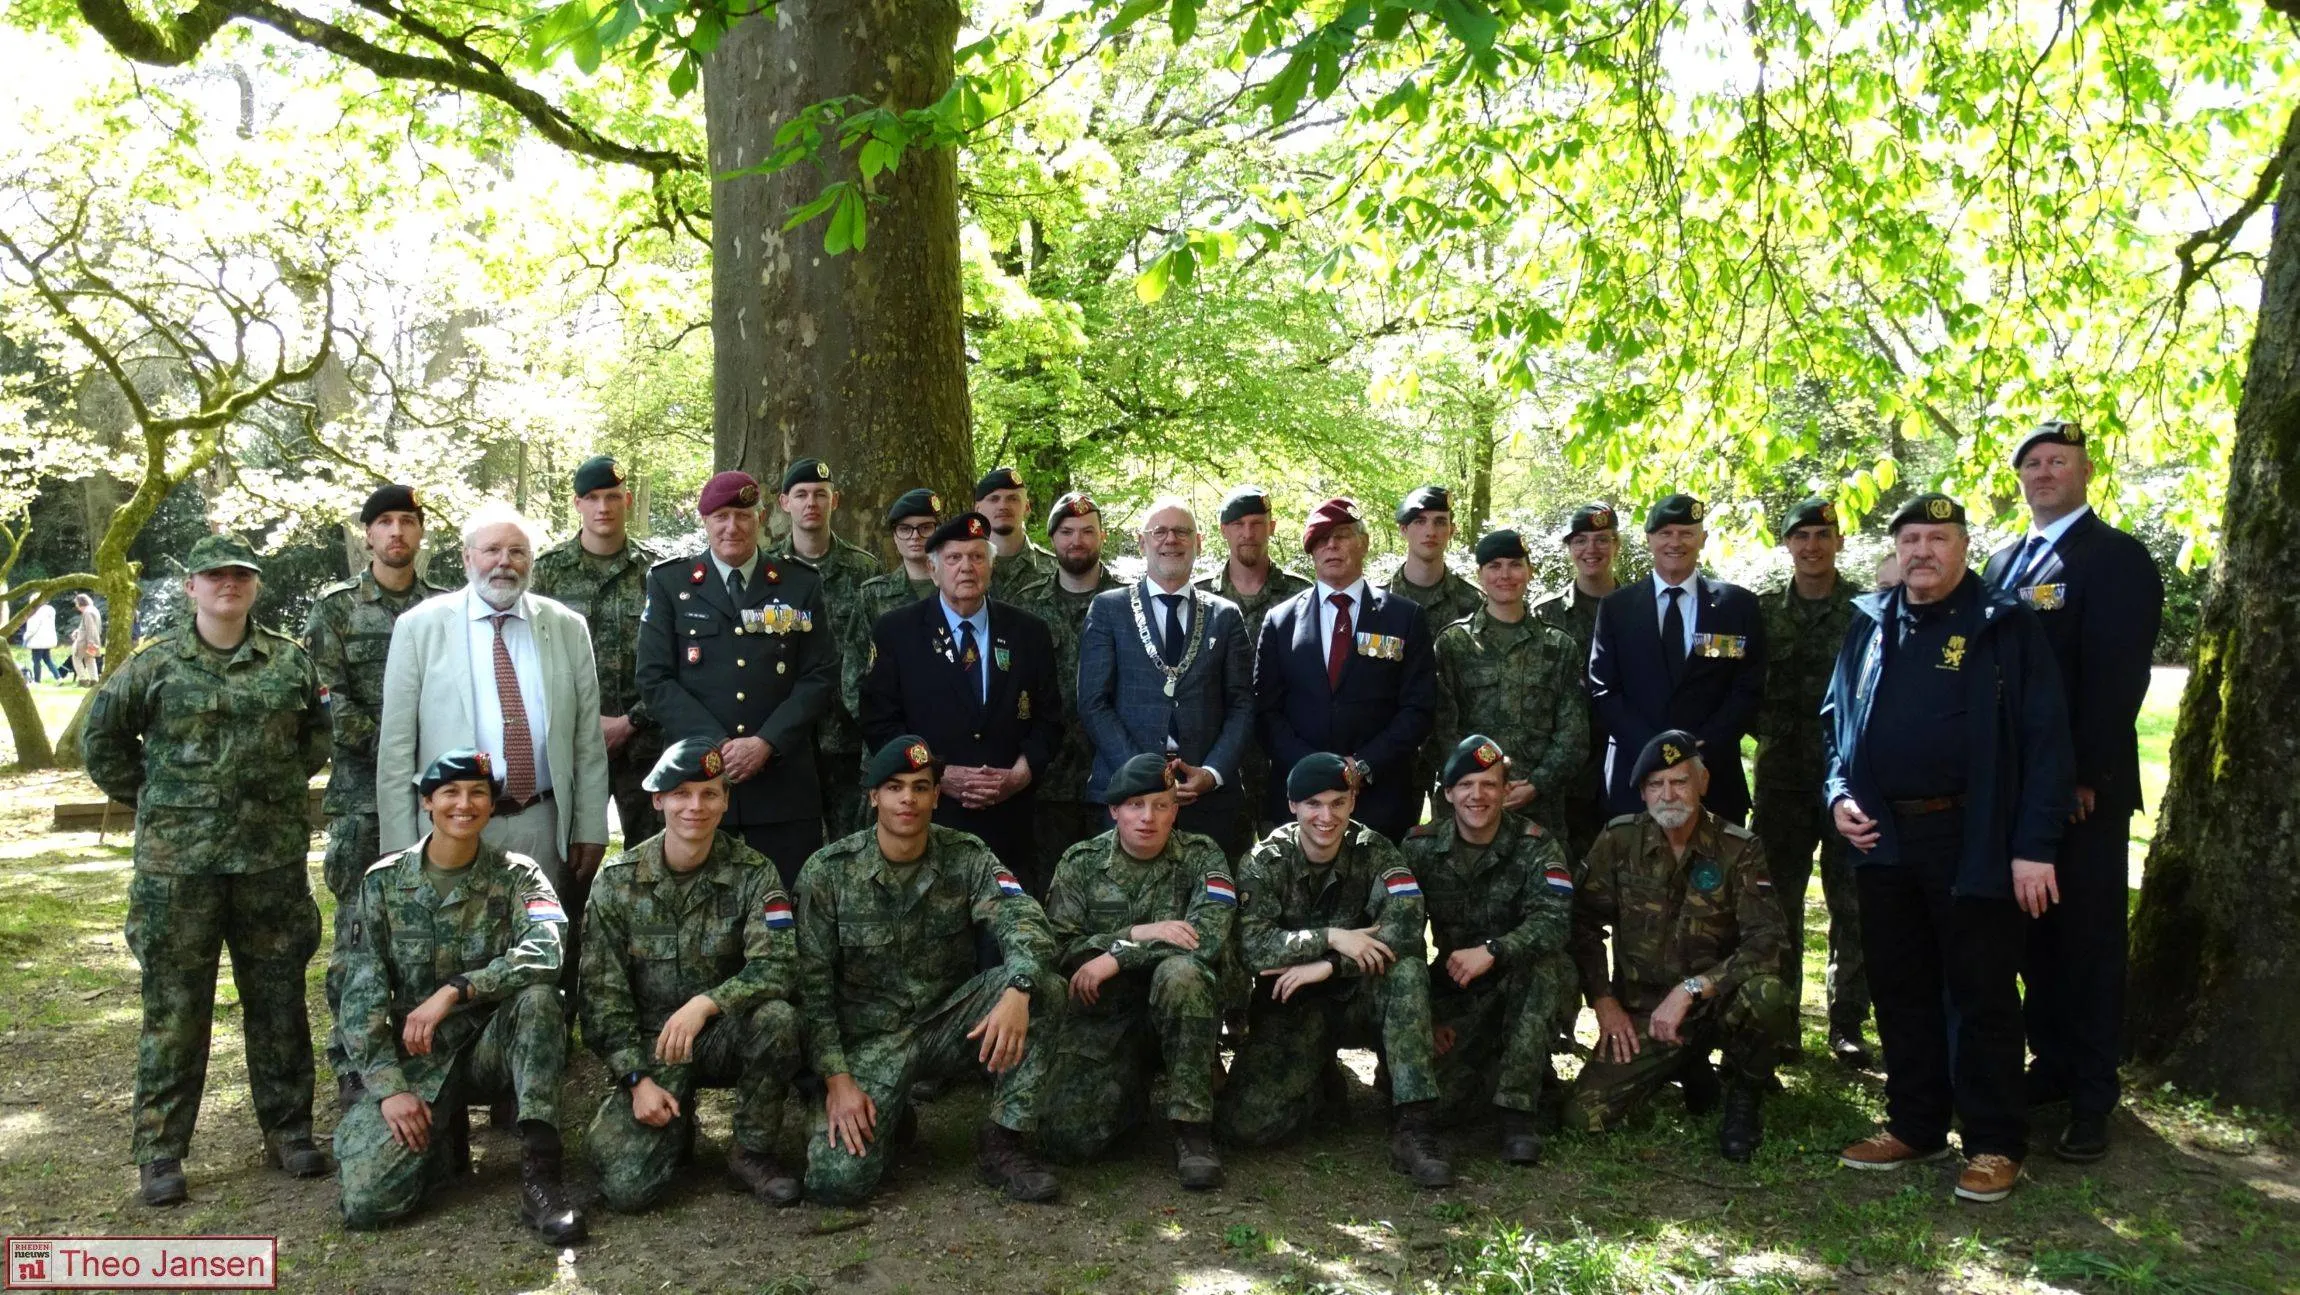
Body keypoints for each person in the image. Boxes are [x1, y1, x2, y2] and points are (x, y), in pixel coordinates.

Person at [1825, 493, 2074, 1204]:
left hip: (1975, 838)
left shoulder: (2004, 625)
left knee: (1982, 992)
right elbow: (1833, 720)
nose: (1922, 551)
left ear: (1965, 546)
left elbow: (2047, 742)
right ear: (1895, 548)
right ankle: (1916, 1122)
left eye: (1937, 537)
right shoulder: (1870, 623)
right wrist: (1839, 793)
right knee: (1900, 987)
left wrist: (2034, 846)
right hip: (1884, 837)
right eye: (1910, 538)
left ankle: (1995, 1139)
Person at [82, 533, 330, 1206]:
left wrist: (267, 794)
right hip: (177, 871)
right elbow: (102, 740)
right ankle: (161, 1149)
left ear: (255, 585)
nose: (229, 583)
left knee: (278, 1000)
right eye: (214, 574)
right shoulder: (153, 664)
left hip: (269, 864)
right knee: (175, 1007)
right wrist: (157, 797)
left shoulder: (289, 662)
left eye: (241, 575)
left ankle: (289, 1128)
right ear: (191, 585)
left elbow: (315, 737)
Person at [1983, 420, 2164, 1163]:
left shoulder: (2114, 557)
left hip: (2083, 792)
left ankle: (2093, 1095)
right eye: (2032, 463)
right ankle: (2051, 1065)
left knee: (2087, 940)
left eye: (2059, 460)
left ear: (2087, 471)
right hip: (2012, 793)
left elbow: (2119, 675)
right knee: (2031, 939)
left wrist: (2085, 773)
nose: (2044, 471)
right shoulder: (2000, 561)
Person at [793, 735, 1065, 1205]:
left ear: (937, 796)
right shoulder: (827, 873)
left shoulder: (966, 854)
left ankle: (1004, 1141)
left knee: (1044, 987)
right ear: (873, 796)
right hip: (869, 1040)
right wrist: (837, 1080)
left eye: (921, 787)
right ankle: (892, 1114)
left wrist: (1019, 987)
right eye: (895, 787)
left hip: (946, 1023)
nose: (908, 799)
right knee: (835, 1184)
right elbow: (811, 989)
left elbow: (1022, 918)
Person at [333, 749, 586, 1242]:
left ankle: (541, 1175)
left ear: (492, 805)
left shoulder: (520, 875)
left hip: (494, 1047)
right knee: (367, 1202)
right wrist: (390, 1089)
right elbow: (358, 997)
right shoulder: (382, 883)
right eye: (450, 792)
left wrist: (458, 989)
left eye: (478, 793)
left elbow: (548, 950)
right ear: (428, 801)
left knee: (539, 1000)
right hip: (420, 1059)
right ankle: (442, 1142)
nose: (464, 805)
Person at [377, 502, 611, 997]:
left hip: (541, 821)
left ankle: (540, 1046)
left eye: (517, 551)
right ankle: (455, 1052)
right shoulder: (421, 626)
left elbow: (587, 742)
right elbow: (396, 746)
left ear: (532, 561)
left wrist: (590, 826)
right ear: (466, 558)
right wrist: (400, 844)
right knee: (452, 946)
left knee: (543, 947)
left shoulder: (567, 627)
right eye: (491, 550)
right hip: (450, 823)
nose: (504, 562)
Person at [580, 739, 804, 1211]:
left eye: (709, 794)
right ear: (658, 799)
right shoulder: (617, 881)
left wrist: (706, 1004)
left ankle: (752, 1151)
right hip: (651, 1044)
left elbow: (779, 964)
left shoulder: (754, 873)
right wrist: (636, 1078)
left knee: (778, 1018)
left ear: (726, 800)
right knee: (627, 1191)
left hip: (721, 1032)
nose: (695, 807)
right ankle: (672, 1127)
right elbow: (602, 998)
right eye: (681, 794)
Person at [1219, 753, 1453, 1187]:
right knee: (1246, 1128)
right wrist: (1331, 936)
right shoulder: (1263, 862)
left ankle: (1414, 1127)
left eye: (1338, 803)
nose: (1326, 817)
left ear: (1352, 803)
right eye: (1313, 804)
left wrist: (1327, 966)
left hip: (1359, 996)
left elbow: (1403, 928)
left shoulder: (1378, 851)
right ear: (1292, 805)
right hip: (1292, 1002)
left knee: (1405, 973)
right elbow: (1253, 947)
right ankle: (1323, 1079)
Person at [1564, 730, 1790, 1163]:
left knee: (1768, 995)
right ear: (1643, 794)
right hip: (1646, 1013)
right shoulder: (1618, 841)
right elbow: (1582, 923)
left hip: (1716, 1004)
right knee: (1582, 1118)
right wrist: (1604, 1002)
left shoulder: (1738, 848)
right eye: (1655, 785)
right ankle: (1686, 1064)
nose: (1668, 794)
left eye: (1679, 781)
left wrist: (1692, 989)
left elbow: (1768, 940)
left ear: (1702, 783)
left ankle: (1744, 1100)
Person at [307, 483, 449, 1106]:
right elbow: (331, 706)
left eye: (407, 522)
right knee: (360, 934)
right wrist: (404, 755)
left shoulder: (448, 608)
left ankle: (435, 1048)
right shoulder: (336, 611)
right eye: (384, 522)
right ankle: (351, 1060)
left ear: (421, 534)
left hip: (442, 798)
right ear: (367, 535)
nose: (396, 533)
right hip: (364, 799)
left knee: (441, 924)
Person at [1036, 753, 1235, 1188]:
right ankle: (1130, 1090)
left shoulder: (1203, 857)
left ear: (1175, 810)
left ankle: (1192, 1130)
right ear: (1113, 810)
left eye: (1161, 805)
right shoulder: (1081, 862)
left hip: (1184, 1010)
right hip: (1107, 1015)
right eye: (1135, 805)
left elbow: (1208, 937)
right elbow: (1061, 949)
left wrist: (1118, 955)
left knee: (1181, 974)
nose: (1148, 817)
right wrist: (1140, 932)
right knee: (1067, 1140)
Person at [634, 471, 838, 887]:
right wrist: (719, 745)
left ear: (760, 519)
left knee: (785, 908)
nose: (732, 527)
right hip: (699, 785)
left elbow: (820, 675)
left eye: (743, 516)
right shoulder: (670, 583)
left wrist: (766, 743)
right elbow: (654, 679)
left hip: (782, 786)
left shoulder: (799, 584)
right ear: (705, 522)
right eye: (721, 516)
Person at [858, 512, 1062, 887]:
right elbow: (879, 720)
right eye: (954, 559)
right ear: (933, 570)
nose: (966, 567)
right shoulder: (897, 631)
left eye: (977, 557)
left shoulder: (1028, 632)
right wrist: (938, 775)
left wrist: (1019, 775)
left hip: (1008, 816)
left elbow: (1050, 718)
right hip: (930, 814)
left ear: (991, 566)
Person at [1405, 736, 1577, 1165]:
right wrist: (1429, 1014)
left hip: (1519, 976)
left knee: (1542, 969)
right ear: (1447, 794)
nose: (1476, 795)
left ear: (1506, 791)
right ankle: (1517, 1068)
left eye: (1488, 784)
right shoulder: (1420, 847)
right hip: (1458, 987)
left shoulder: (1537, 845)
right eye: (1465, 785)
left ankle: (1517, 1116)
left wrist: (1495, 950)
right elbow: (1402, 932)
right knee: (1439, 1105)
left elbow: (1554, 922)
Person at [1749, 496, 1872, 1068]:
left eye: (1824, 535)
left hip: (1851, 780)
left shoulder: (1867, 612)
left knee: (1853, 905)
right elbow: (1742, 691)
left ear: (1839, 542)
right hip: (1782, 782)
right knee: (1780, 907)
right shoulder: (1763, 614)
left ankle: (1847, 1024)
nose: (1813, 546)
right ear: (1788, 545)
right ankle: (1784, 1024)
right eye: (1801, 536)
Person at [1252, 498, 1437, 843]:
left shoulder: (1404, 617)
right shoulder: (1281, 621)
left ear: (1364, 543)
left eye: (1342, 535)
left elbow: (1418, 708)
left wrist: (1363, 765)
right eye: (1321, 540)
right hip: (1299, 802)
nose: (1332, 546)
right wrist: (1313, 771)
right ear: (1311, 552)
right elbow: (1266, 710)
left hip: (1379, 798)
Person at [1080, 498, 1255, 856]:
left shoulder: (1225, 615)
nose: (1170, 540)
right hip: (1127, 797)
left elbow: (1243, 704)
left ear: (1199, 542)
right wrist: (1142, 777)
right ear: (1142, 543)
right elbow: (1093, 702)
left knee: (1211, 902)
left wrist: (1213, 772)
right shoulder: (1109, 608)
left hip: (1207, 799)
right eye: (1159, 531)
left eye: (1182, 532)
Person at [1587, 493, 1766, 822]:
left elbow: (1747, 687)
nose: (1675, 542)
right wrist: (1655, 751)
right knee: (1634, 873)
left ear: (1703, 539)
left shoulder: (1736, 606)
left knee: (1713, 874)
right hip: (1634, 777)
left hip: (1712, 776)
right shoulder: (1616, 608)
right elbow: (1603, 688)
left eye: (1686, 532)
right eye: (1665, 533)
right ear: (1649, 539)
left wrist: (1701, 746)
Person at [530, 455, 669, 851]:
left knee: (652, 859)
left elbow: (680, 657)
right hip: (571, 745)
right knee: (569, 857)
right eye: (592, 497)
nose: (603, 507)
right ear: (577, 504)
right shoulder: (546, 572)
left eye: (612, 496)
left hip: (646, 745)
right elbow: (532, 658)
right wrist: (584, 723)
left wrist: (632, 720)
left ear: (627, 501)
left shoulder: (658, 572)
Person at [1428, 530, 1588, 838]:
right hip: (1467, 806)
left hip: (1539, 806)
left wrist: (1537, 784)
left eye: (1515, 565)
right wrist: (1478, 785)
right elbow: (1440, 728)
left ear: (1529, 571)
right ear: (1480, 574)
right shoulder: (1453, 644)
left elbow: (1574, 734)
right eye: (1494, 566)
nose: (1505, 575)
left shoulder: (1558, 646)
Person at [769, 458, 883, 843]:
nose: (811, 502)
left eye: (821, 494)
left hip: (848, 736)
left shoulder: (863, 569)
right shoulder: (767, 570)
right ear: (785, 503)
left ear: (836, 501)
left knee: (850, 842)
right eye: (801, 495)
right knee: (790, 841)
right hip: (786, 733)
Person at [1019, 491, 1126, 879]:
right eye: (1066, 532)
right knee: (1049, 884)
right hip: (1047, 776)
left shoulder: (1130, 601)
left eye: (1087, 531)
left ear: (1103, 536)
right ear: (1052, 539)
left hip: (1114, 770)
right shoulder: (1025, 605)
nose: (1076, 540)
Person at [1195, 485, 1310, 834]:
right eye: (1238, 524)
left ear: (1271, 528)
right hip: (1218, 757)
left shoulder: (1301, 595)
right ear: (1223, 531)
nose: (1248, 533)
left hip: (1286, 755)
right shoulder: (1199, 597)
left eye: (1257, 523)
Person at [837, 487, 943, 797]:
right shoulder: (873, 595)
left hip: (953, 751)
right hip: (887, 751)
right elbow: (853, 680)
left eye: (925, 527)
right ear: (894, 536)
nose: (915, 536)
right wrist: (889, 737)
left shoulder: (961, 591)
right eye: (904, 529)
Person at [1534, 502, 1623, 862]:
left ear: (1616, 545)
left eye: (1602, 540)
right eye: (1581, 541)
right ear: (1569, 548)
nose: (1591, 550)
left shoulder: (1639, 606)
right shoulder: (1545, 612)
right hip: (1565, 773)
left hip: (1623, 761)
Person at [1384, 485, 1483, 633]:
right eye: (1420, 521)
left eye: (1440, 522)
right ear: (1404, 530)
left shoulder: (1476, 603)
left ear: (1451, 531)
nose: (1430, 532)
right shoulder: (1376, 600)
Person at [974, 465, 1056, 598]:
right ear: (978, 510)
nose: (1003, 506)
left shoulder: (1054, 569)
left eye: (1013, 499)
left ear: (1027, 507)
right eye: (994, 499)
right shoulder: (964, 568)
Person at [22, 598, 62, 681]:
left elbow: (32, 629)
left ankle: (37, 681)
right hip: (48, 639)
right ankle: (58, 678)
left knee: (36, 661)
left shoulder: (35, 612)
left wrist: (25, 639)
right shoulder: (50, 610)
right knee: (48, 660)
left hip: (38, 640)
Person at [69, 592, 103, 683]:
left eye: (77, 604)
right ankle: (94, 679)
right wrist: (78, 631)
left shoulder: (88, 612)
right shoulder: (94, 610)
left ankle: (83, 679)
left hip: (85, 641)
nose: (76, 606)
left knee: (76, 657)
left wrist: (90, 642)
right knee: (90, 659)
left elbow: (90, 628)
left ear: (80, 603)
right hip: (92, 640)